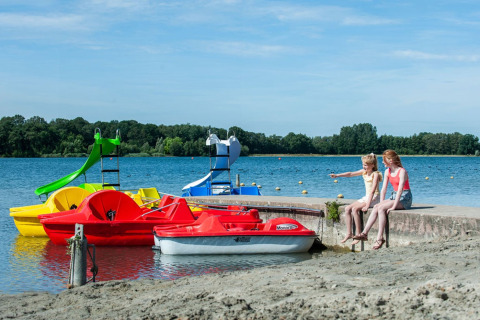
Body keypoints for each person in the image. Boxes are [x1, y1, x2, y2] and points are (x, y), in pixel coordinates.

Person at [353, 149, 412, 250]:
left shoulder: (402, 171)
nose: (382, 162)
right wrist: (381, 202)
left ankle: (379, 238)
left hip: (405, 198)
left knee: (381, 209)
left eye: (384, 160)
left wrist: (393, 206)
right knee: (377, 206)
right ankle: (364, 233)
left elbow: (400, 190)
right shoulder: (387, 171)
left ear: (390, 161)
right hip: (394, 195)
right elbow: (384, 189)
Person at [330, 153, 382, 245]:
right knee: (347, 209)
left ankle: (358, 235)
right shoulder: (364, 172)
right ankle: (349, 233)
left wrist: (367, 205)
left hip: (374, 198)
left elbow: (373, 191)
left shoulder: (375, 174)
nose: (364, 166)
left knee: (354, 209)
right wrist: (337, 175)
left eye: (366, 165)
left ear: (372, 165)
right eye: (363, 164)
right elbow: (350, 174)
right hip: (367, 196)